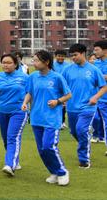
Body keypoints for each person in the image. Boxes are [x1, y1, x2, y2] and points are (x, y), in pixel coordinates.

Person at [21, 50, 71, 186]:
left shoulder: (57, 77)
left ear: (47, 62)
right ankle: (54, 172)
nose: (34, 63)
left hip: (52, 119)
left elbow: (68, 95)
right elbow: (29, 92)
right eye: (33, 60)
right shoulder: (32, 77)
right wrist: (25, 103)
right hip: (36, 118)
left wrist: (57, 101)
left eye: (37, 60)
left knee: (49, 146)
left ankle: (62, 172)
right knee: (42, 149)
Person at [62, 43, 107, 168]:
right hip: (71, 107)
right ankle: (85, 142)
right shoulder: (67, 70)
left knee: (81, 130)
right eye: (71, 56)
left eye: (75, 55)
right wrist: (61, 99)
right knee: (74, 132)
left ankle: (84, 160)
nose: (73, 58)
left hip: (88, 107)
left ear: (83, 54)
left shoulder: (93, 70)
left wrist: (95, 97)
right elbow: (61, 86)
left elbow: (104, 87)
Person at [93, 41, 107, 152]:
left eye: (97, 49)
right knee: (99, 121)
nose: (95, 52)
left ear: (105, 50)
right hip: (99, 98)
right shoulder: (96, 63)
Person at [53, 49, 69, 129]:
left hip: (64, 88)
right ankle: (55, 121)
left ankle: (62, 122)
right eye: (59, 56)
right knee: (54, 104)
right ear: (55, 56)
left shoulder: (68, 65)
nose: (60, 58)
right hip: (53, 87)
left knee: (63, 105)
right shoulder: (52, 65)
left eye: (62, 56)